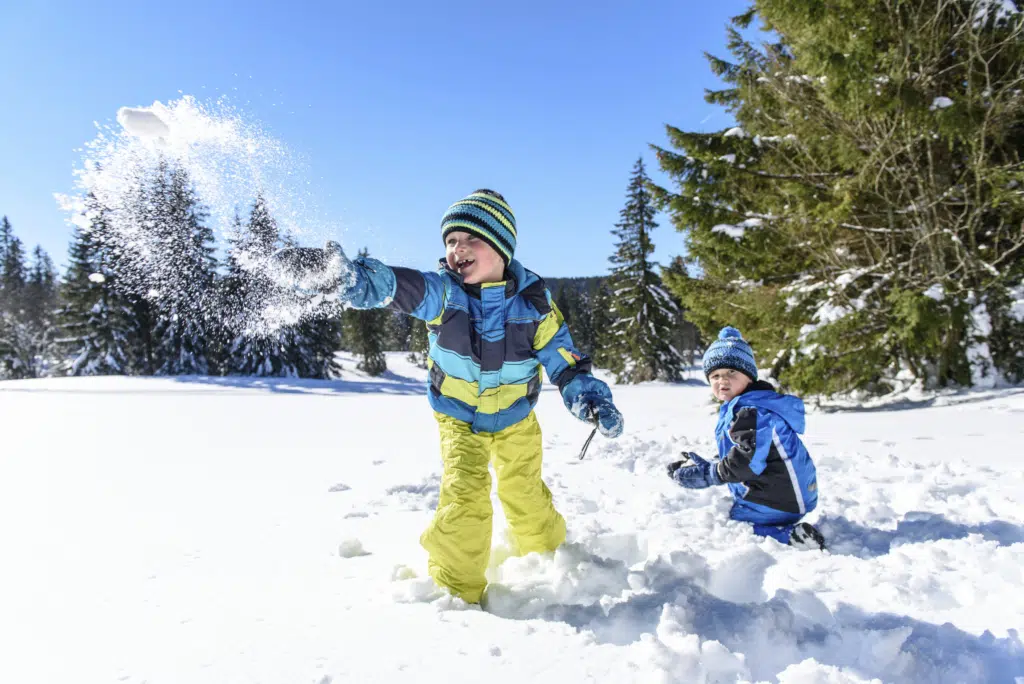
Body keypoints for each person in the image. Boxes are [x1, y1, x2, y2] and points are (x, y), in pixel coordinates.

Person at [276, 189, 624, 601]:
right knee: (465, 501)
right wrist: (351, 278)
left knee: (525, 494)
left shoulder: (535, 304)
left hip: (516, 417)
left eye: (469, 239)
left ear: (500, 246)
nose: (457, 249)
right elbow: (398, 286)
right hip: (460, 419)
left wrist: (588, 396)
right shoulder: (444, 294)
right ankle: (456, 594)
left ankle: (549, 560)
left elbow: (564, 358)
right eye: (450, 241)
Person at [667, 326, 825, 549]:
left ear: (749, 376)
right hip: (791, 494)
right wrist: (714, 463)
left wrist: (710, 474)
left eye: (732, 373)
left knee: (736, 527)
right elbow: (748, 449)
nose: (723, 380)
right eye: (715, 375)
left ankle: (791, 537)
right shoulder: (749, 406)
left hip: (779, 500)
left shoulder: (752, 412)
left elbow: (747, 461)